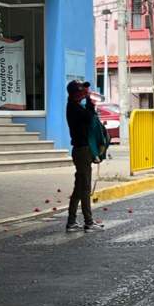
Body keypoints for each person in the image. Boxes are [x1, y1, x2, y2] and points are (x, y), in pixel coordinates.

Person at [65, 80, 104, 232]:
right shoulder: (74, 108)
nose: (84, 93)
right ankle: (88, 222)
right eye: (81, 91)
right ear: (75, 94)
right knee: (85, 187)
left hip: (81, 150)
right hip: (82, 151)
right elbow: (90, 117)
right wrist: (89, 99)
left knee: (79, 187)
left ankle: (72, 221)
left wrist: (87, 98)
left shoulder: (75, 106)